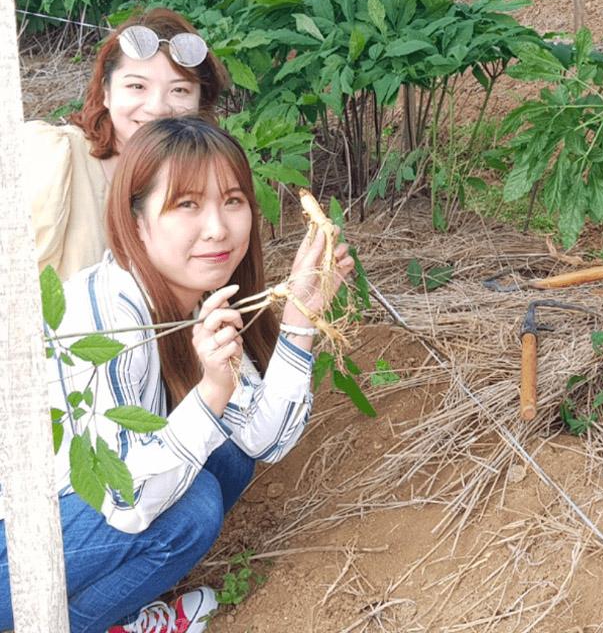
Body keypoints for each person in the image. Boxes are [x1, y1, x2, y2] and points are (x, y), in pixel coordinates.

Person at [0, 117, 353, 631]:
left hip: (68, 522)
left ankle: (113, 610)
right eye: (187, 204)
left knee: (227, 455)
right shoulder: (107, 317)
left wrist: (300, 317)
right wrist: (212, 391)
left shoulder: (193, 302)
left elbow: (264, 441)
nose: (217, 227)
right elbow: (125, 498)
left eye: (232, 201)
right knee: (192, 508)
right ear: (135, 218)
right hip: (13, 551)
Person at [23, 8, 229, 280]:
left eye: (179, 90)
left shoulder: (202, 177)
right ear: (106, 92)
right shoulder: (53, 156)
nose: (157, 109)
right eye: (137, 87)